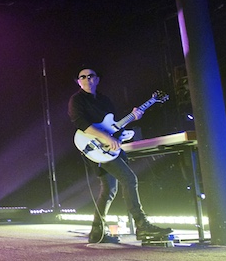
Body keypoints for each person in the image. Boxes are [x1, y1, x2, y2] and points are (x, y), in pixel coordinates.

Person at [68, 67, 172, 244]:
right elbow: (81, 124)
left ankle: (96, 231)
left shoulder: (104, 100)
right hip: (94, 146)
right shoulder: (76, 100)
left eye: (91, 76)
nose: (87, 79)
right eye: (82, 77)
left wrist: (133, 118)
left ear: (97, 79)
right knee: (129, 179)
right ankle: (142, 224)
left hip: (108, 146)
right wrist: (107, 137)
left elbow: (113, 125)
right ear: (78, 81)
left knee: (109, 189)